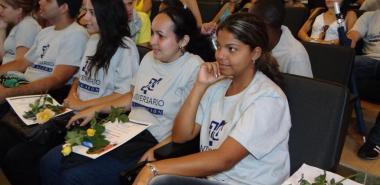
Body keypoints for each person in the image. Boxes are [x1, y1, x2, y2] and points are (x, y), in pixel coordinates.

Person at [40, 7, 205, 185]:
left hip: (153, 139)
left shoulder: (194, 68)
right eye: (152, 33)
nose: (152, 41)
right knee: (50, 162)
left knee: (74, 177)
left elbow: (187, 128)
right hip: (125, 130)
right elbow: (132, 97)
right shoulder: (150, 57)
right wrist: (93, 110)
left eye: (161, 36)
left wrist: (159, 150)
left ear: (183, 40)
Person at [132, 12, 291, 185]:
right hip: (214, 179)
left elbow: (224, 159)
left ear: (255, 53)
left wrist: (155, 168)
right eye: (219, 46)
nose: (220, 55)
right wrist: (200, 86)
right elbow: (180, 136)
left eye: (231, 49)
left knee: (157, 179)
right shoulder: (218, 86)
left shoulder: (267, 98)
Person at [0, 1, 140, 184]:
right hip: (72, 111)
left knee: (30, 159)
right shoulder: (93, 40)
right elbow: (79, 78)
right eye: (85, 11)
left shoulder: (125, 48)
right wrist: (72, 95)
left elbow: (123, 95)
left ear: (106, 15)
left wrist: (82, 104)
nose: (85, 18)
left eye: (91, 12)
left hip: (97, 118)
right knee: (12, 149)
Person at [347, 9, 380, 160]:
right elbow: (353, 35)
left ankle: (375, 141)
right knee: (339, 63)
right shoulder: (370, 16)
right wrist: (349, 41)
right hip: (368, 61)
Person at [252, 0, 313, 77]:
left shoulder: (295, 56)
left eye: (251, 23)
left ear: (264, 26)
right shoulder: (257, 42)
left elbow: (302, 88)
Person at [0, 0, 40, 65]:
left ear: (19, 10)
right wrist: (2, 28)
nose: (0, 11)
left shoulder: (27, 25)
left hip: (11, 74)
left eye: (4, 7)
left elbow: (21, 64)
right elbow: (3, 56)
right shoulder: (18, 25)